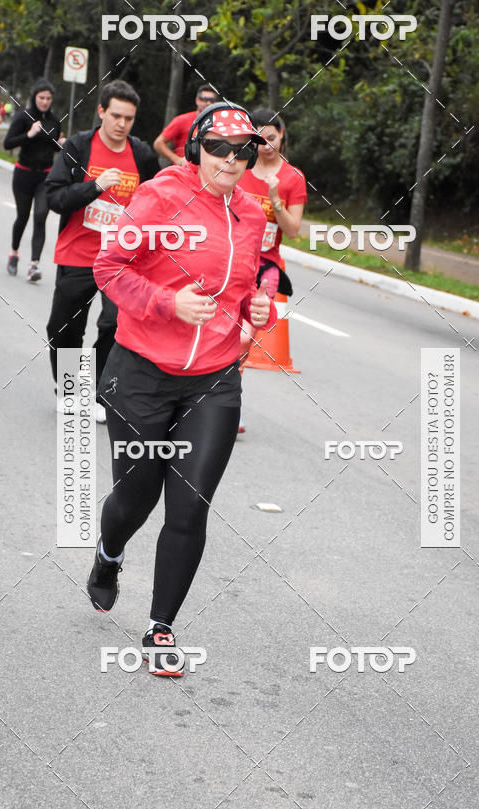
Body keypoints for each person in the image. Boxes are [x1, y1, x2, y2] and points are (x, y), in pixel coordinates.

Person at [89, 102, 275, 676]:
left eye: (243, 150)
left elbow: (247, 282)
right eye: (219, 148)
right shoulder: (159, 197)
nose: (230, 159)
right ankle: (108, 555)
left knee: (190, 504)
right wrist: (168, 302)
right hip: (142, 371)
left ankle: (160, 628)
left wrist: (258, 306)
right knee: (136, 497)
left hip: (214, 378)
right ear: (196, 147)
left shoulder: (250, 211)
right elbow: (110, 268)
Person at [45, 80, 158, 421]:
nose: (122, 124)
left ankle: (94, 389)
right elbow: (54, 198)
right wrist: (94, 187)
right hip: (78, 253)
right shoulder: (79, 147)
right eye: (116, 116)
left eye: (129, 118)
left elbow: (157, 199)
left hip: (122, 260)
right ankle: (67, 389)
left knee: (114, 324)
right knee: (64, 327)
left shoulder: (142, 155)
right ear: (101, 112)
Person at [236, 108, 307, 432]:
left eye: (272, 138)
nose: (265, 145)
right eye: (260, 138)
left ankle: (228, 409)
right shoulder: (240, 165)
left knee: (243, 337)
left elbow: (292, 230)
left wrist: (276, 198)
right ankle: (214, 403)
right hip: (233, 261)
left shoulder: (292, 178)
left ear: (282, 136)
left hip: (267, 267)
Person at [3, 78, 63, 282]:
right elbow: (7, 144)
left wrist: (61, 143)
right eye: (41, 97)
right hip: (23, 174)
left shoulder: (55, 121)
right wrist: (28, 135)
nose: (45, 102)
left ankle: (34, 265)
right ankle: (14, 253)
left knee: (40, 217)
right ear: (34, 97)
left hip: (45, 176)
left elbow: (54, 147)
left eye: (48, 98)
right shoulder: (23, 118)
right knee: (23, 217)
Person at [153, 84, 218, 166]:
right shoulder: (182, 120)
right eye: (204, 99)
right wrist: (177, 160)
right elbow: (158, 143)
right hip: (183, 171)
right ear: (197, 100)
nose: (208, 103)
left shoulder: (219, 123)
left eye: (212, 100)